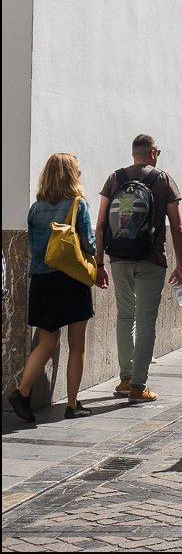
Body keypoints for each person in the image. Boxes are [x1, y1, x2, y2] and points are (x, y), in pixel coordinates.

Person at [95, 135, 182, 402]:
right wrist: (181, 266)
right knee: (145, 320)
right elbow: (177, 227)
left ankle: (125, 378)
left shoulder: (114, 179)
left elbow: (101, 225)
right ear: (153, 153)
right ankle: (138, 385)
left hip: (119, 259)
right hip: (151, 259)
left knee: (125, 317)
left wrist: (100, 263)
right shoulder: (164, 180)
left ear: (134, 153)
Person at [8, 154, 96, 422]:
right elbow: (89, 244)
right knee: (77, 344)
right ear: (72, 175)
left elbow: (35, 248)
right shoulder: (79, 205)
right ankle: (72, 404)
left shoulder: (36, 208)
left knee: (46, 343)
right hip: (71, 279)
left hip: (42, 280)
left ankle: (22, 391)